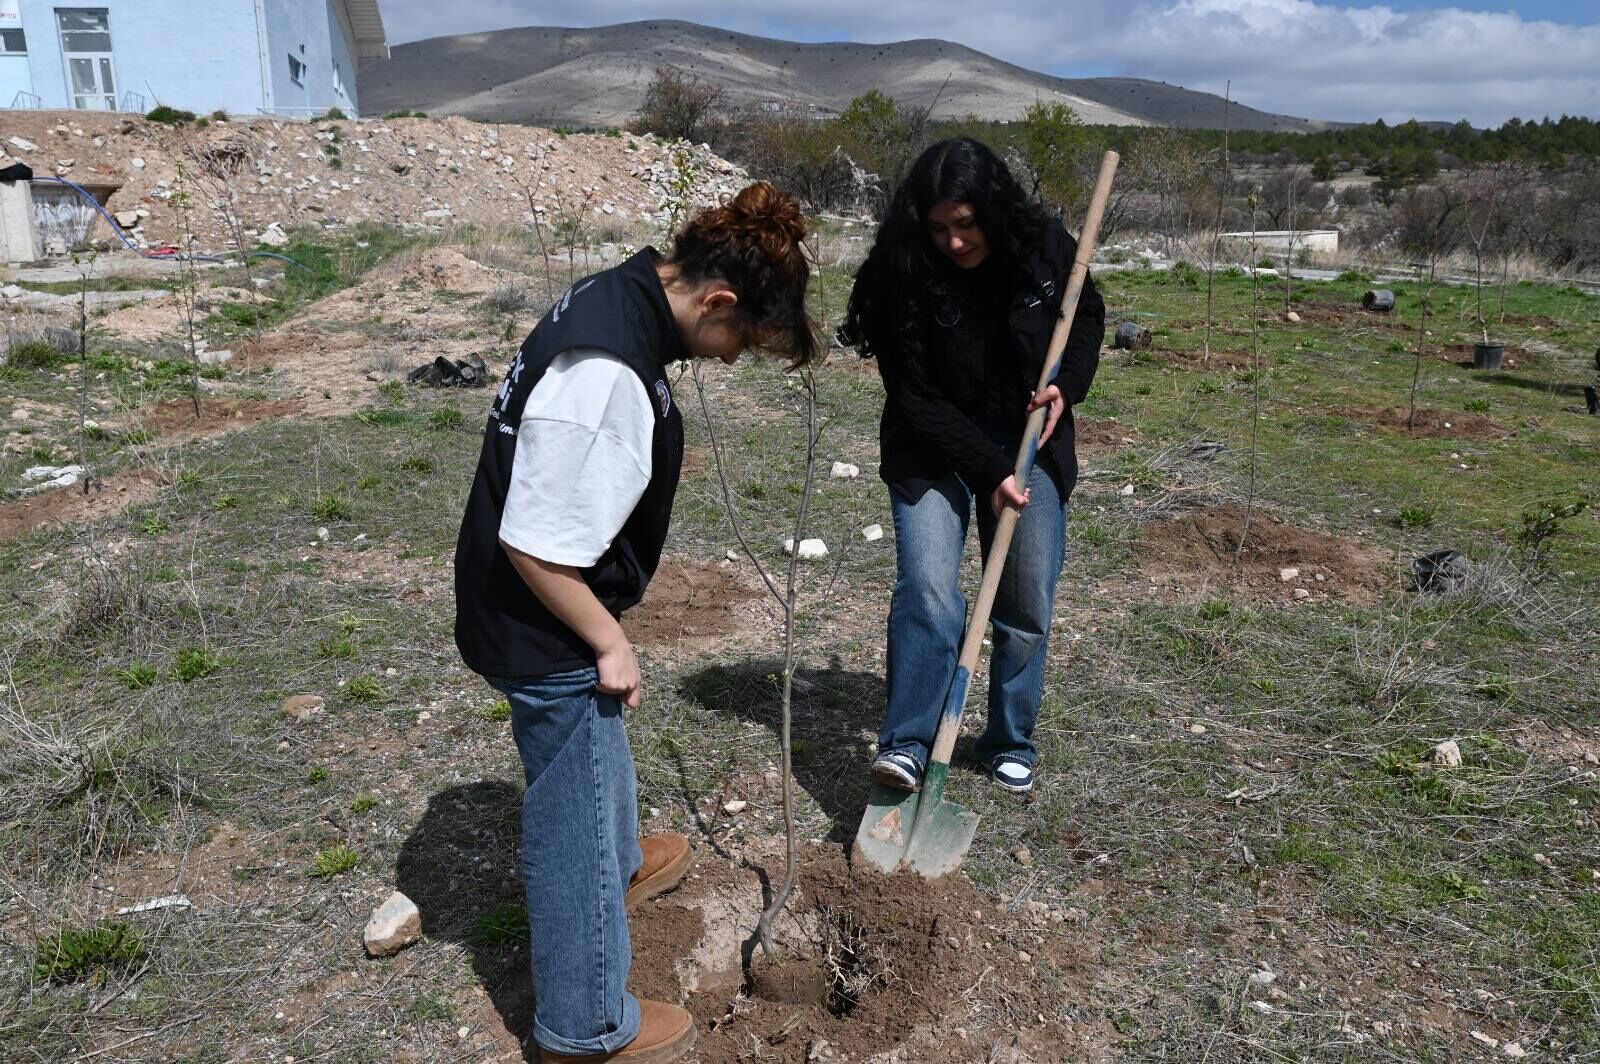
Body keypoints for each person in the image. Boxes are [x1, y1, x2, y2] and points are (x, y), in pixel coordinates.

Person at [454, 183, 814, 1063]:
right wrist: (608, 640)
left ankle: (618, 864)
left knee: (596, 743)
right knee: (570, 807)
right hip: (539, 619)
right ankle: (584, 1027)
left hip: (541, 605)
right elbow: (536, 544)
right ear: (716, 301)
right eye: (741, 343)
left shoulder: (626, 288)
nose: (731, 360)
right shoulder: (608, 373)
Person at [841, 137, 1105, 796]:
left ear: (992, 209)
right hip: (930, 444)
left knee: (1025, 599)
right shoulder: (900, 270)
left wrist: (1066, 386)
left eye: (965, 224)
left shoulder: (1042, 246)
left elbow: (1088, 316)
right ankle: (908, 742)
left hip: (1027, 441)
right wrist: (991, 473)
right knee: (928, 591)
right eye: (939, 229)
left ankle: (1010, 738)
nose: (954, 242)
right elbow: (915, 397)